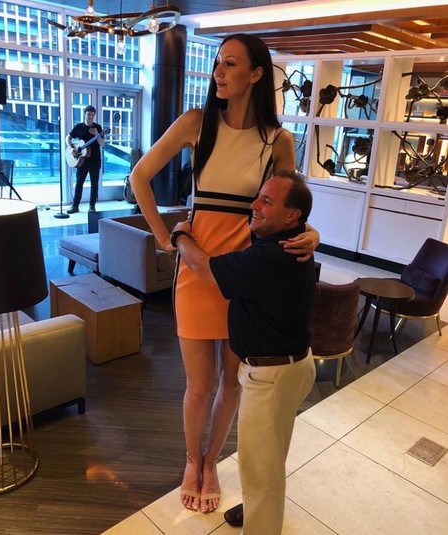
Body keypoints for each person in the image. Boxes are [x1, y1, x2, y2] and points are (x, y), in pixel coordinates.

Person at [129, 33, 319, 514]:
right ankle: (191, 461)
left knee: (232, 382)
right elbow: (139, 176)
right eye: (217, 63)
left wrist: (312, 232)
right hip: (195, 273)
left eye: (230, 64)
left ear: (256, 74)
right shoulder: (196, 123)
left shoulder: (277, 140)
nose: (218, 71)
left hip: (244, 278)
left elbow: (291, 205)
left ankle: (212, 461)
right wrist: (165, 237)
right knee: (199, 386)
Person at [171, 172, 316, 535]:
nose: (255, 205)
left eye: (267, 201)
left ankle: (260, 522)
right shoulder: (296, 240)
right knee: (271, 456)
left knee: (259, 469)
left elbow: (203, 266)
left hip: (270, 377)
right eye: (258, 197)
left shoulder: (268, 257)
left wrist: (180, 235)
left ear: (292, 216)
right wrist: (315, 233)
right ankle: (256, 509)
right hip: (295, 366)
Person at [66, 105, 104, 214]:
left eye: (92, 115)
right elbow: (68, 137)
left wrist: (97, 134)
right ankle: (75, 206)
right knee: (79, 183)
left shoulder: (98, 128)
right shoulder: (79, 127)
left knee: (94, 184)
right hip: (81, 160)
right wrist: (71, 148)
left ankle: (92, 206)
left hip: (95, 160)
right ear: (85, 114)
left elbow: (102, 143)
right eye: (89, 114)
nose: (90, 117)